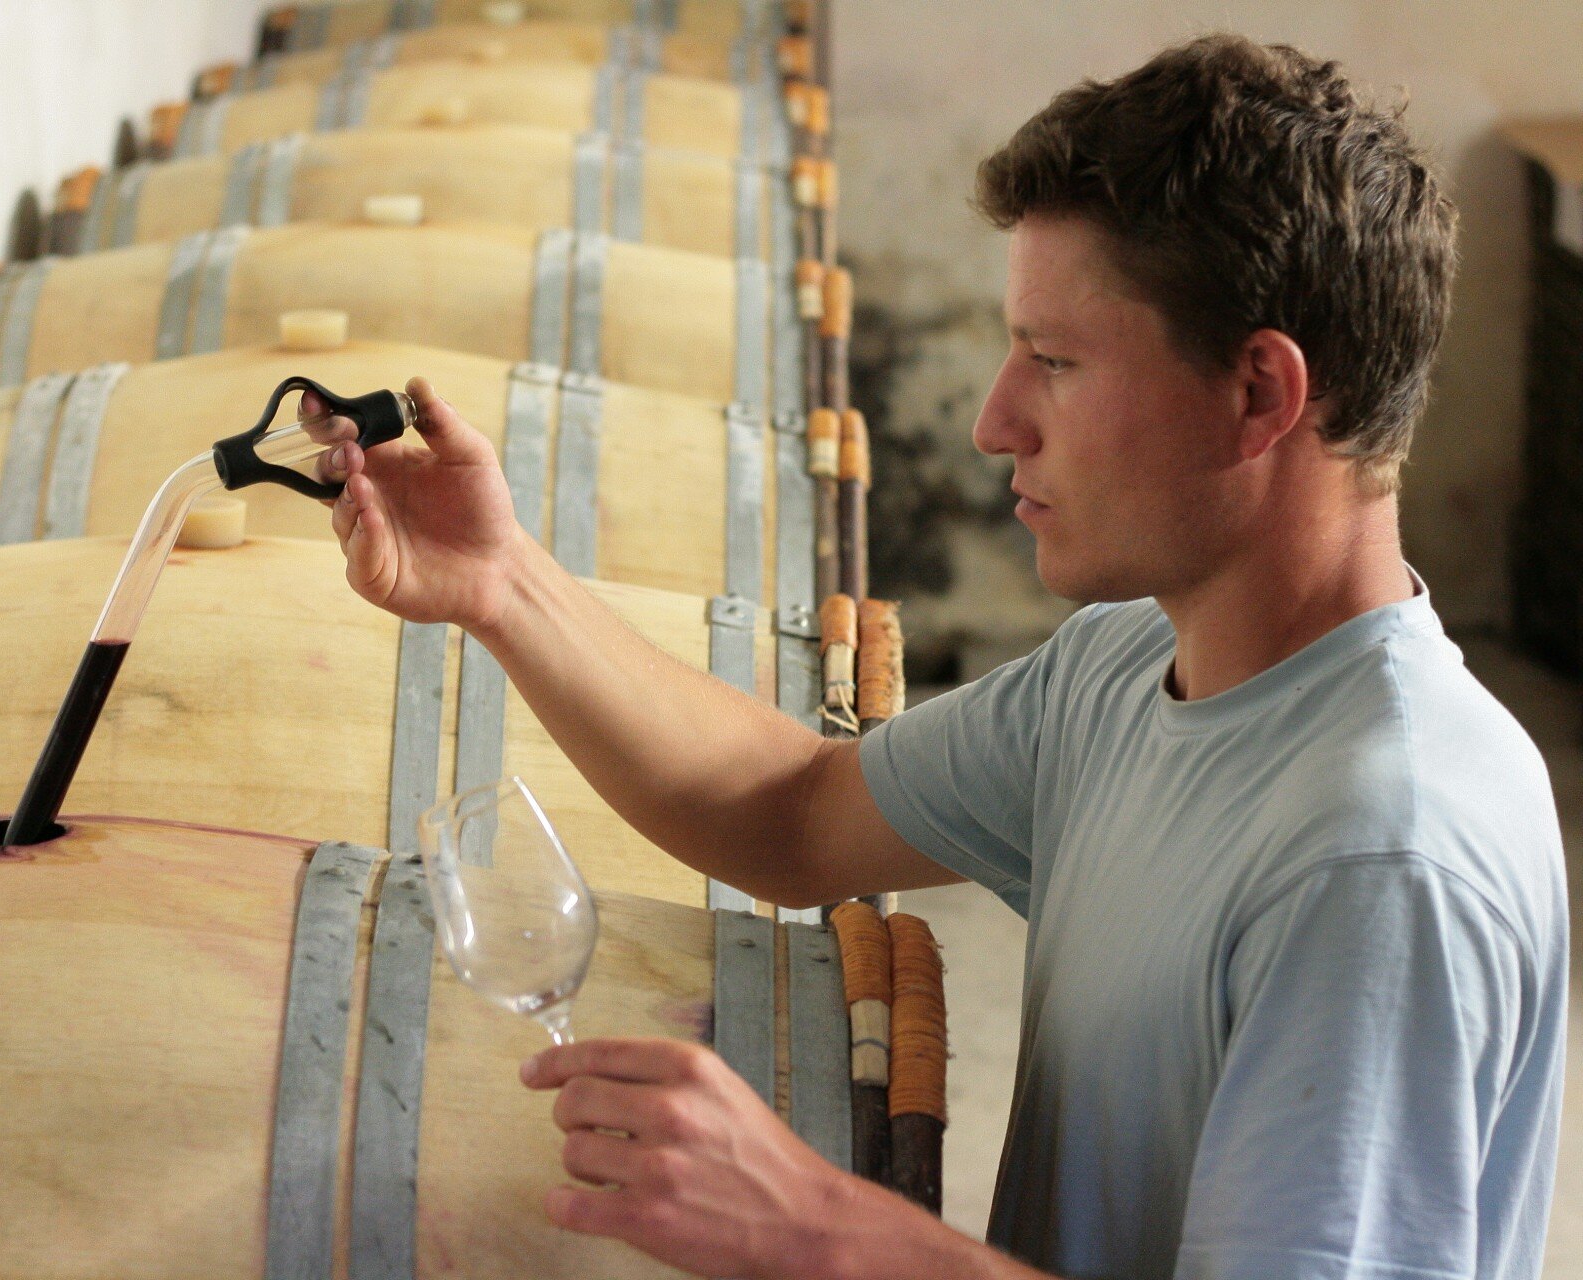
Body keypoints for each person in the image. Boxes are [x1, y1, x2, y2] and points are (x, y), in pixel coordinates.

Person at [303, 32, 1569, 1280]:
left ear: (1259, 394)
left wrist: (824, 1229)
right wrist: (505, 581)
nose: (991, 420)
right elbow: (795, 814)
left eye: (1057, 363)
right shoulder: (1127, 670)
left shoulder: (1376, 858)